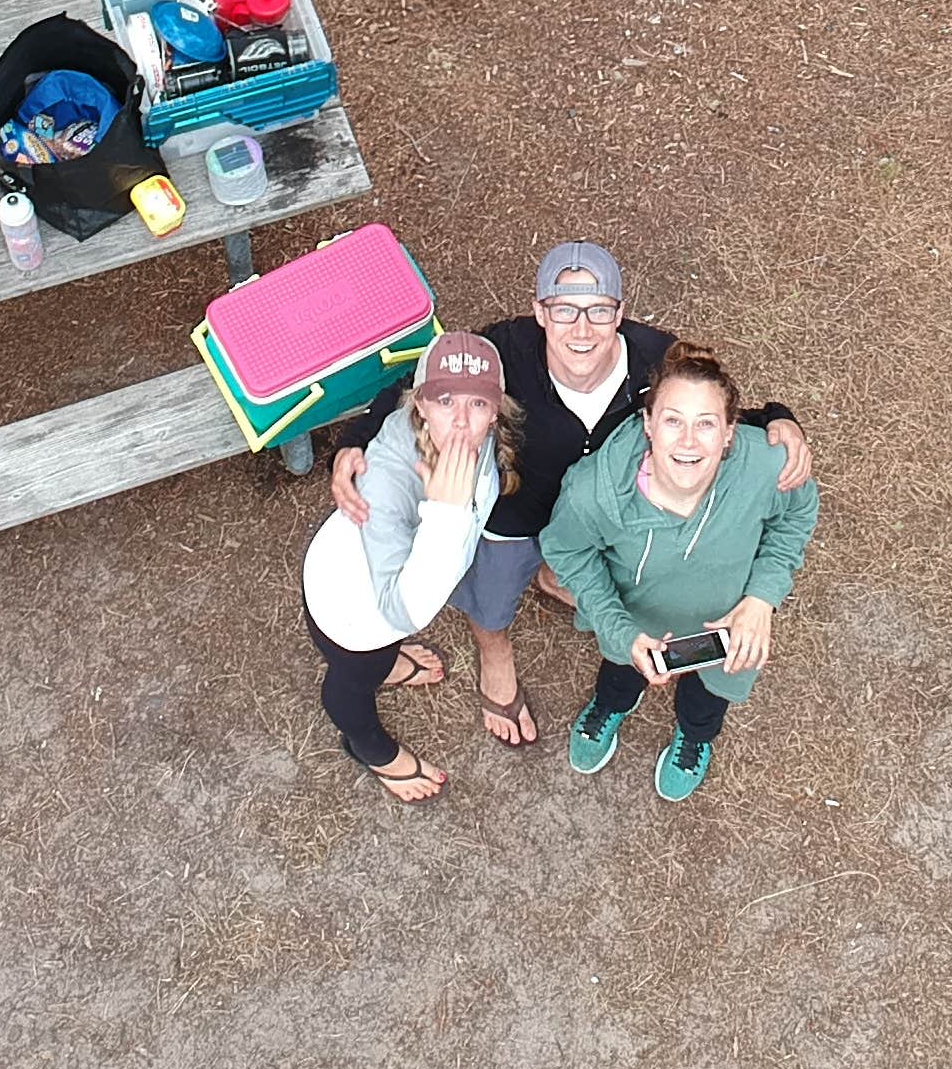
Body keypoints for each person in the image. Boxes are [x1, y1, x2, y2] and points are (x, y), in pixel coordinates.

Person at [329, 240, 810, 751]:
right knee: (490, 601)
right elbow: (419, 383)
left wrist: (779, 418)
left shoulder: (654, 359)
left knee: (612, 579)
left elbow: (709, 415)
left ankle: (562, 581)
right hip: (514, 511)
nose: (582, 330)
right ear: (539, 312)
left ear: (620, 314)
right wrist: (356, 440)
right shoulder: (503, 352)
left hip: (612, 512)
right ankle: (495, 656)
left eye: (599, 310)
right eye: (564, 310)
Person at [538, 340, 818, 803]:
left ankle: (694, 737)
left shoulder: (766, 466)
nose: (688, 442)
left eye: (706, 424)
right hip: (637, 624)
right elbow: (568, 553)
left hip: (728, 629)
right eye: (673, 420)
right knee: (621, 674)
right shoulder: (594, 491)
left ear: (730, 432)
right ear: (648, 424)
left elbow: (797, 514)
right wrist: (617, 626)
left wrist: (762, 597)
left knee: (709, 700)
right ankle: (610, 706)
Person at [301, 329, 511, 804]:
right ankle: (373, 752)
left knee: (383, 659)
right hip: (352, 617)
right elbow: (401, 610)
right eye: (444, 401)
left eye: (476, 404)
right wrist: (447, 514)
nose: (460, 421)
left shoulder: (468, 439)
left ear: (495, 410)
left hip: (383, 596)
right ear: (420, 405)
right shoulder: (387, 479)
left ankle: (392, 664)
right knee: (352, 682)